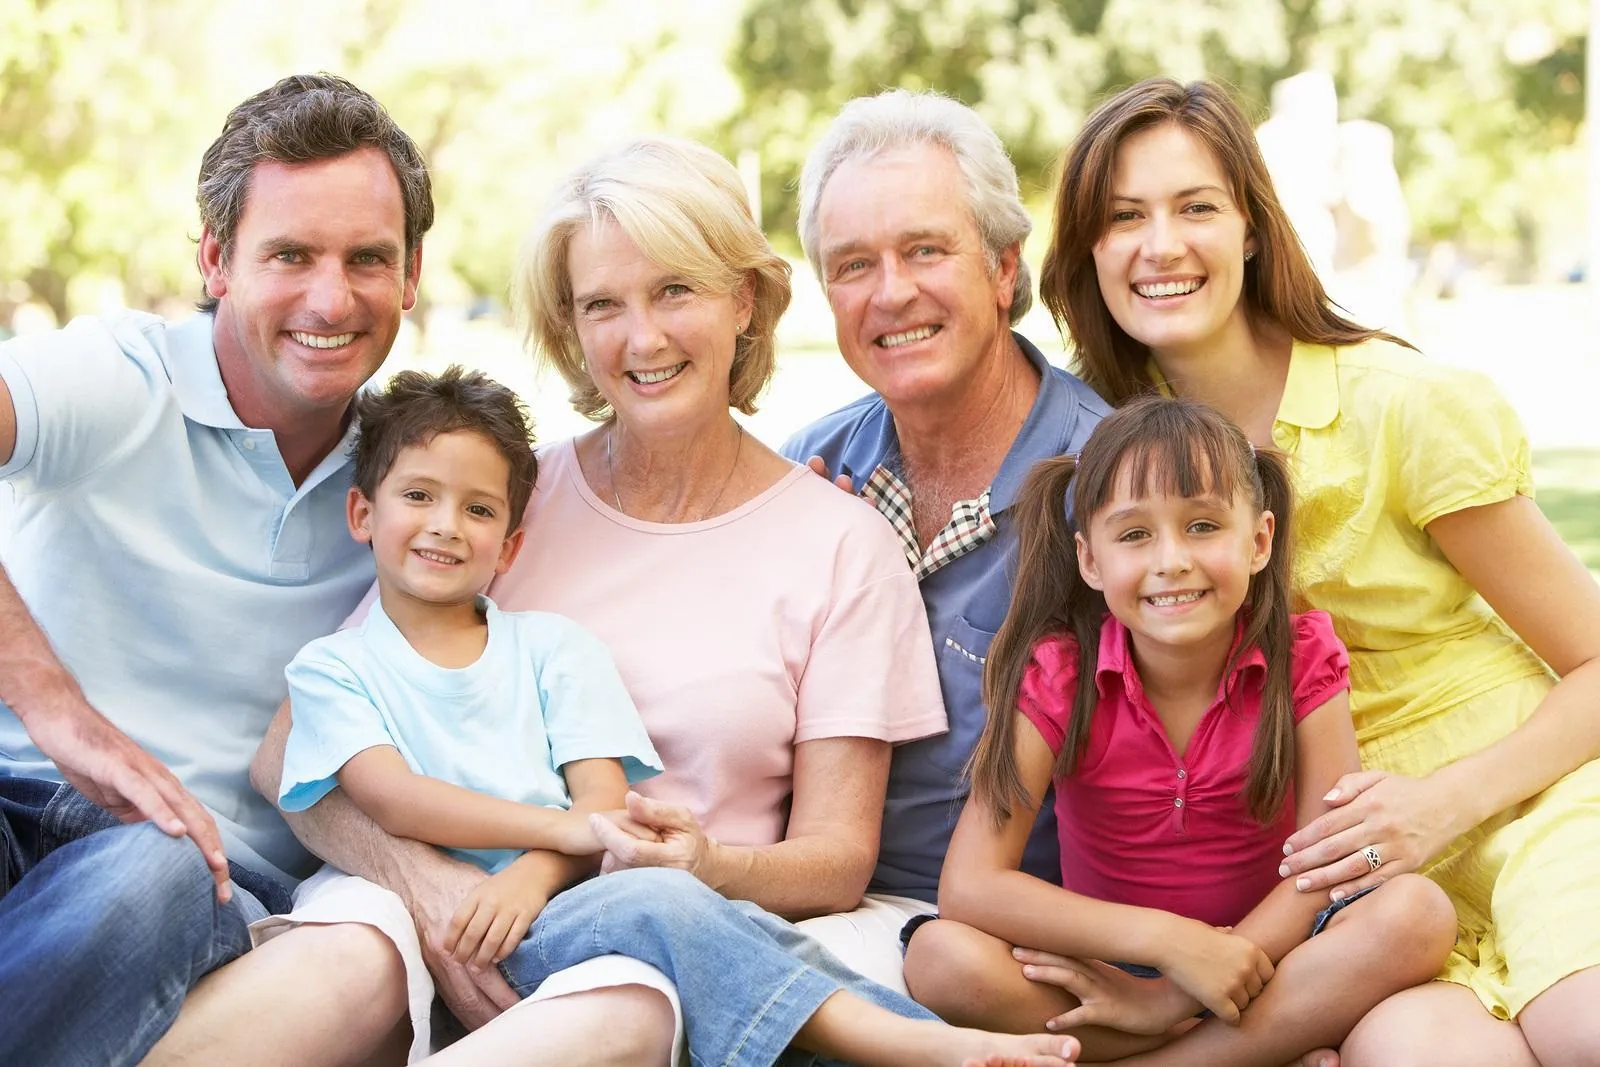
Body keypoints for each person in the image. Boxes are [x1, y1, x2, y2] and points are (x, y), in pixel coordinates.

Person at [253, 137, 1075, 1067]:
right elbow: (292, 748)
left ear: (744, 298)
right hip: (438, 895)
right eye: (603, 304)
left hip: (654, 936)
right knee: (346, 955)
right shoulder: (499, 503)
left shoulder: (841, 542)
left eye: (675, 290)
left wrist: (709, 864)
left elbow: (838, 858)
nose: (641, 339)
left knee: (627, 1003)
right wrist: (426, 886)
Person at [1038, 76, 1600, 1067]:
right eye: (1123, 217)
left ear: (1253, 229)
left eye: (1195, 207)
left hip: (1523, 805)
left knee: (1584, 1031)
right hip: (1347, 888)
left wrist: (1443, 802)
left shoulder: (1399, 405)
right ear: (1088, 247)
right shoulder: (1112, 451)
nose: (1159, 245)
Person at [0, 73, 432, 1066]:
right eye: (291, 254)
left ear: (410, 274)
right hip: (13, 797)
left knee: (158, 869)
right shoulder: (120, 379)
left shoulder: (410, 485)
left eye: (367, 258)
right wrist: (55, 707)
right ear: (215, 259)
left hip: (186, 879)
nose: (331, 298)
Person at [901, 396, 1456, 1065]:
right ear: (1090, 560)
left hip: (1265, 964)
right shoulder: (1061, 673)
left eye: (1202, 526)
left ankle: (1168, 1055)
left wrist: (1175, 996)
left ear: (1259, 541)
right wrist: (1169, 946)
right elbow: (971, 886)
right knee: (941, 958)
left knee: (1416, 913)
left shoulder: (1302, 658)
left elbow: (1326, 864)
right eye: (1135, 534)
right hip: (1108, 971)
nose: (1171, 560)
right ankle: (1246, 1053)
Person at [780, 88, 1110, 993]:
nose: (891, 292)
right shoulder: (807, 471)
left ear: (1004, 268)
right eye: (853, 265)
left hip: (1025, 953)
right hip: (829, 916)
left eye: (925, 249)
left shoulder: (1112, 479)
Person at [256, 365, 665, 1059]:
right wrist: (558, 827)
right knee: (341, 959)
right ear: (362, 514)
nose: (445, 526)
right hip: (380, 896)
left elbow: (602, 806)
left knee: (639, 959)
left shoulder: (555, 648)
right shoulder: (330, 667)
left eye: (478, 509)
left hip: (548, 899)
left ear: (509, 546)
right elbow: (393, 799)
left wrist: (534, 874)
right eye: (419, 495)